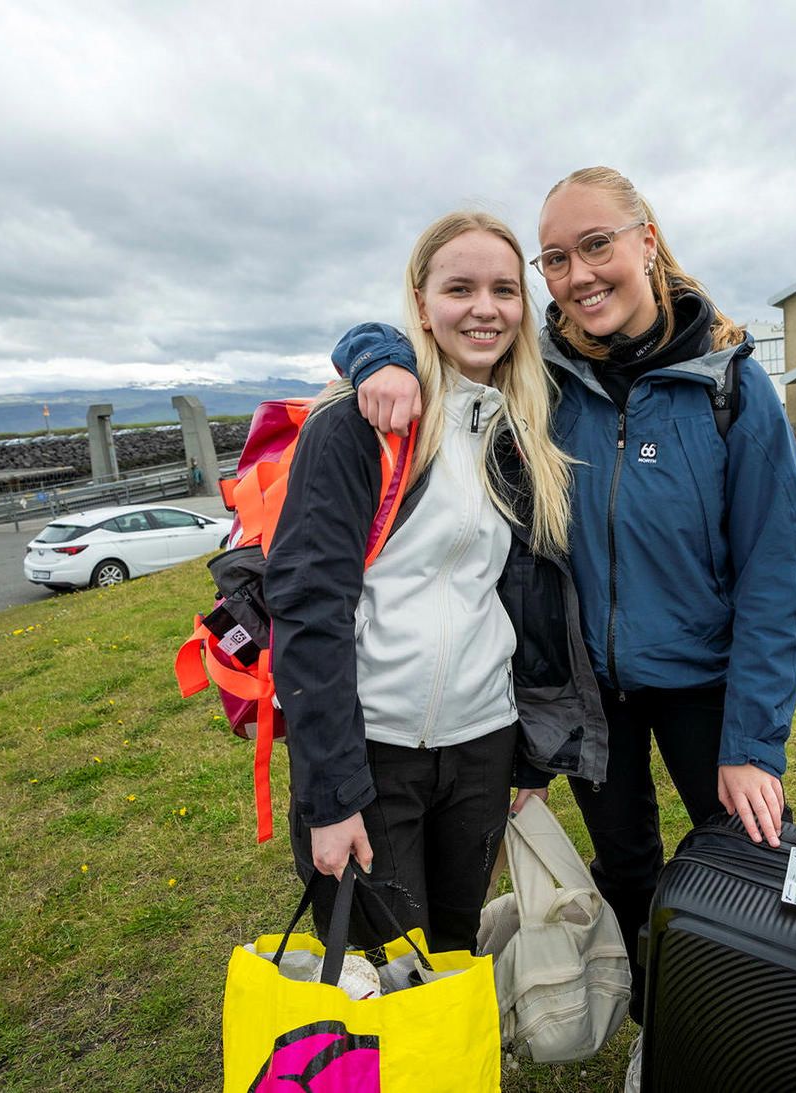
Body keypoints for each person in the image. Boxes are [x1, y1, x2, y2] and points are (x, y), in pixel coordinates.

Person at [332, 167, 796, 1012]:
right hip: (595, 692)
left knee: (749, 861)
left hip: (708, 681)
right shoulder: (540, 377)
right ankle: (655, 1012)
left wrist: (751, 743)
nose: (577, 274)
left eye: (596, 245)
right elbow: (438, 331)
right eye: (554, 259)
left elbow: (781, 575)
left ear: (647, 241)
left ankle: (740, 1022)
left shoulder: (730, 386)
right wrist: (375, 353)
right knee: (628, 864)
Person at [264, 210, 607, 954]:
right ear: (420, 303)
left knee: (452, 949)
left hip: (482, 742)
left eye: (504, 291)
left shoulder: (518, 433)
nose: (485, 309)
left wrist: (529, 756)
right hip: (374, 746)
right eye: (460, 288)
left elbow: (519, 597)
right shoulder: (359, 426)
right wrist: (329, 796)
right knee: (384, 966)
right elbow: (307, 611)